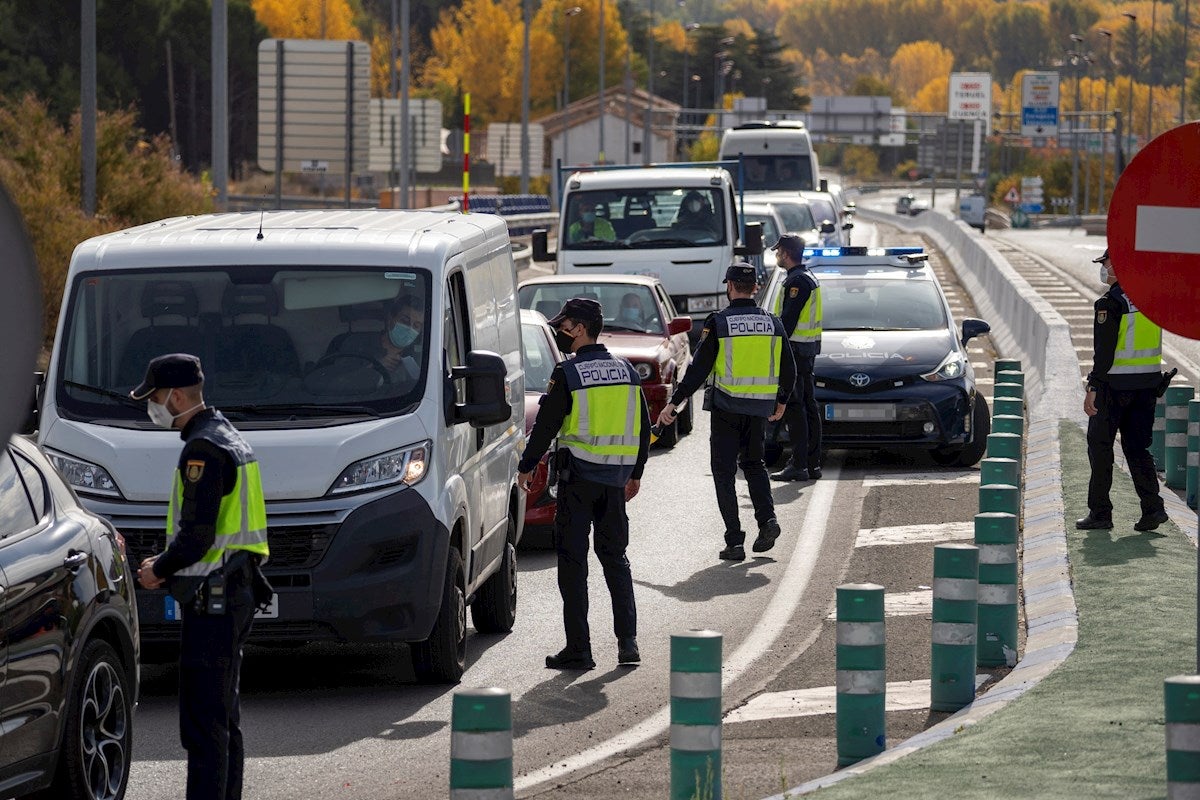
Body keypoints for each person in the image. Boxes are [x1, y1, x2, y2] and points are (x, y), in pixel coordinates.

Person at [133, 353, 270, 800]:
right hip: (235, 589)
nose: (152, 405)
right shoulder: (227, 435)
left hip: (216, 598)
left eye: (154, 396)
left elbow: (196, 536)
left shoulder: (203, 450)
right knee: (223, 717)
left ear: (174, 396)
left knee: (202, 722)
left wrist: (158, 569)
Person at [516, 297, 651, 670]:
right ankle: (628, 645)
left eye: (564, 326)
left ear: (578, 328)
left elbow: (546, 426)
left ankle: (580, 649)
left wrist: (526, 467)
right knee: (616, 561)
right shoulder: (626, 370)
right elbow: (643, 428)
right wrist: (636, 473)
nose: (560, 332)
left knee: (573, 566)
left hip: (577, 483)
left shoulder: (568, 373)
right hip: (614, 485)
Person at [658, 263, 795, 561]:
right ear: (755, 289)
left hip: (726, 409)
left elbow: (698, 370)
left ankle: (734, 541)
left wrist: (675, 403)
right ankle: (768, 520)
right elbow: (789, 369)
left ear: (730, 287)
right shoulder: (773, 322)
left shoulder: (719, 322)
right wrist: (781, 401)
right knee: (755, 464)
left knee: (724, 473)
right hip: (759, 409)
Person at [1076, 247, 1170, 532]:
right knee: (1138, 448)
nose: (1103, 268)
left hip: (1114, 388)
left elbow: (1104, 354)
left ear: (1119, 266)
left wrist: (1093, 386)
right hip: (1147, 386)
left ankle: (1101, 513)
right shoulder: (1151, 299)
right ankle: (1153, 509)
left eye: (1105, 262)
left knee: (1100, 447)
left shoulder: (1110, 303)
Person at [770, 233, 823, 482]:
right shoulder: (806, 277)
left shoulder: (797, 282)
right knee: (809, 408)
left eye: (778, 251)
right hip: (806, 352)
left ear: (786, 253)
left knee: (796, 409)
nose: (777, 256)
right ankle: (811, 464)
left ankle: (799, 464)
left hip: (795, 353)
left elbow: (787, 323)